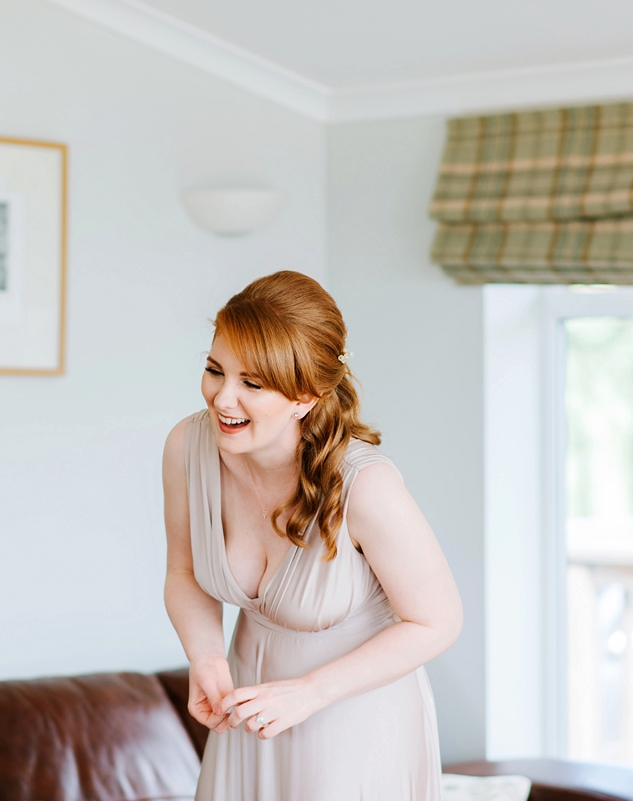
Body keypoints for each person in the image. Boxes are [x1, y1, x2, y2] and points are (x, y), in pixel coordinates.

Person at [162, 271, 464, 800]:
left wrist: (310, 692)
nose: (222, 398)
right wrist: (206, 657)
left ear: (305, 397)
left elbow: (437, 622)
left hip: (355, 717)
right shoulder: (188, 448)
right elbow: (185, 570)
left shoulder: (365, 485)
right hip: (250, 714)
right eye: (215, 370)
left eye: (252, 384)